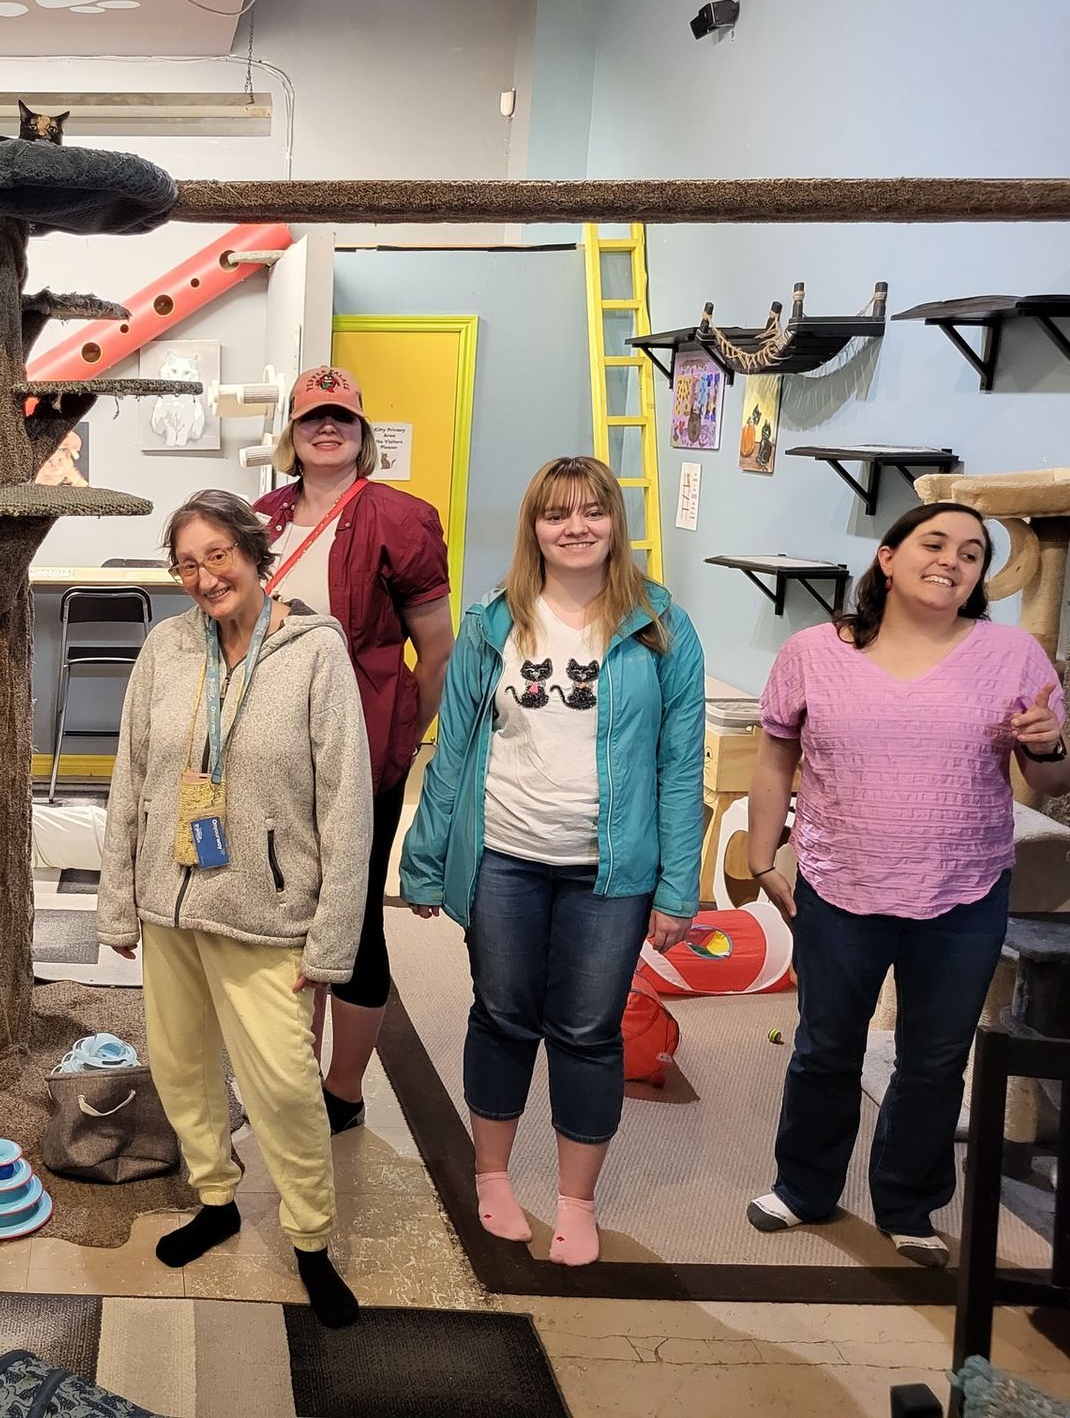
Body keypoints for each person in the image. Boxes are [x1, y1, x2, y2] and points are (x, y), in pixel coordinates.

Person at [744, 501, 1070, 1267]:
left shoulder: (1016, 656)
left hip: (963, 892)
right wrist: (764, 857)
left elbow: (1050, 776)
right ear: (887, 558)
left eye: (971, 552)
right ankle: (803, 1187)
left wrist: (1052, 743)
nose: (952, 560)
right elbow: (773, 757)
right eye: (934, 542)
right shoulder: (812, 652)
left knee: (934, 1058)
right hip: (838, 884)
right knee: (827, 1049)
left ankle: (909, 1205)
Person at [398, 456, 705, 1266]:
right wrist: (426, 860)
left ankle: (576, 1199)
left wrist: (680, 887)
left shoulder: (660, 626)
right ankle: (492, 1176)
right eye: (556, 513)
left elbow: (681, 768)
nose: (575, 527)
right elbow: (453, 749)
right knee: (501, 1016)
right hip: (506, 856)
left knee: (588, 1030)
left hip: (611, 869)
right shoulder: (493, 622)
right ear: (533, 526)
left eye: (591, 511)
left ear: (614, 522)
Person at [98, 490, 372, 1328]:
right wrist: (119, 904)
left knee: (287, 1086)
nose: (205, 575)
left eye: (218, 554)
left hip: (267, 909)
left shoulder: (316, 654)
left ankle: (312, 1241)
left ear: (255, 553)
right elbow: (130, 778)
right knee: (182, 1069)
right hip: (171, 902)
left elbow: (348, 806)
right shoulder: (165, 648)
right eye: (187, 562)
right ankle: (215, 1199)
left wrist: (331, 945)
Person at [255, 364, 454, 1134]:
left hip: (359, 755)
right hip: (270, 755)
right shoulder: (261, 518)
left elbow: (434, 649)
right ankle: (292, 1080)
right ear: (292, 436)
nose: (326, 429)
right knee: (284, 914)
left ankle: (342, 1090)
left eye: (341, 417)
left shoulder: (401, 519)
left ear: (362, 433)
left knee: (355, 921)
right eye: (312, 419)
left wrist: (405, 739)